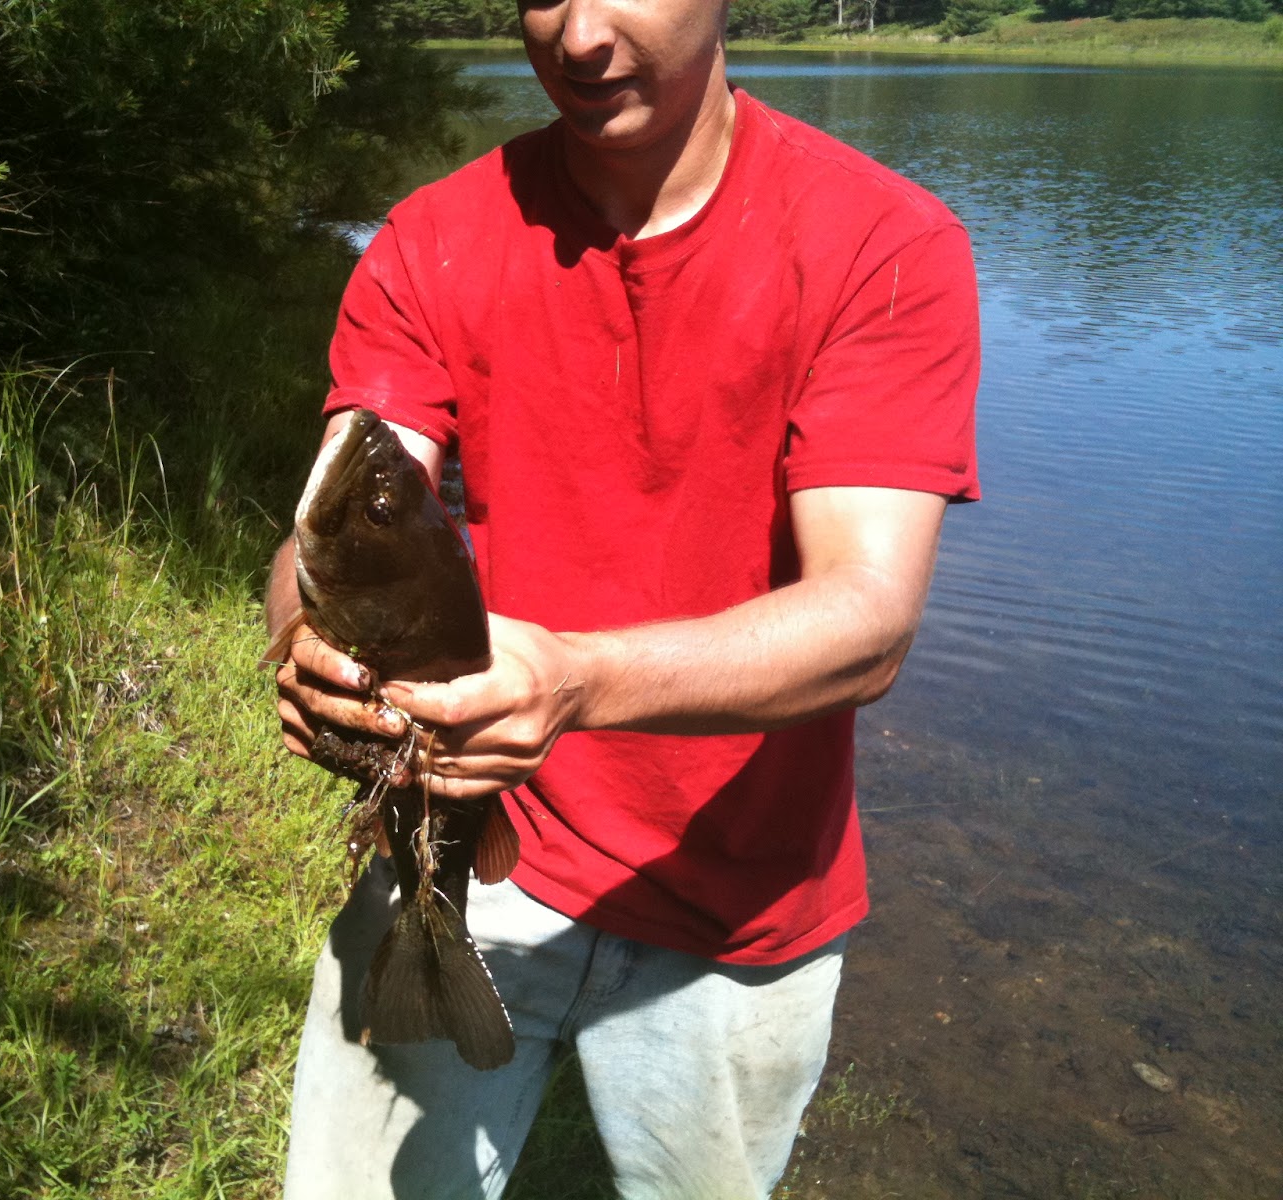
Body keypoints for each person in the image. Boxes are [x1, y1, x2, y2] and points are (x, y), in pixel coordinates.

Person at [267, 1, 979, 1196]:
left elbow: (866, 617)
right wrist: (300, 636)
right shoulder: (431, 239)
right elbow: (343, 511)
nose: (580, 36)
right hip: (473, 851)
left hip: (736, 911)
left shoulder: (881, 243)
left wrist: (581, 682)